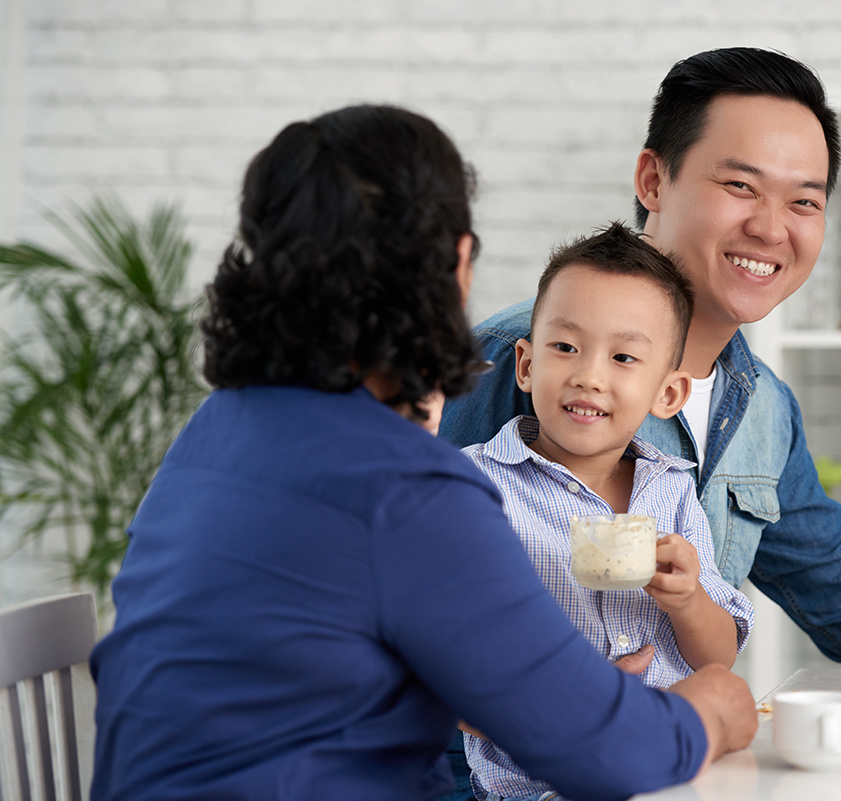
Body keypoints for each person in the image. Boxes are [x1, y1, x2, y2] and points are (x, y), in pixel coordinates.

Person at [88, 104, 756, 801]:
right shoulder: (406, 488)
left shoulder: (214, 431)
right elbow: (615, 754)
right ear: (457, 263)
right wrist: (712, 705)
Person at [440, 47, 841, 674]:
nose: (772, 230)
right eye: (740, 186)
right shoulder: (515, 361)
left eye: (804, 202)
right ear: (654, 181)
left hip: (668, 759)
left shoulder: (762, 405)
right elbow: (400, 592)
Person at [462, 223, 756, 801]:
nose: (589, 375)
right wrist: (560, 704)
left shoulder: (671, 491)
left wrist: (689, 599)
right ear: (525, 364)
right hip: (535, 785)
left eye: (623, 357)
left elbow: (716, 656)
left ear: (667, 394)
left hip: (671, 776)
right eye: (565, 347)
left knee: (729, 690)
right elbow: (436, 671)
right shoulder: (475, 488)